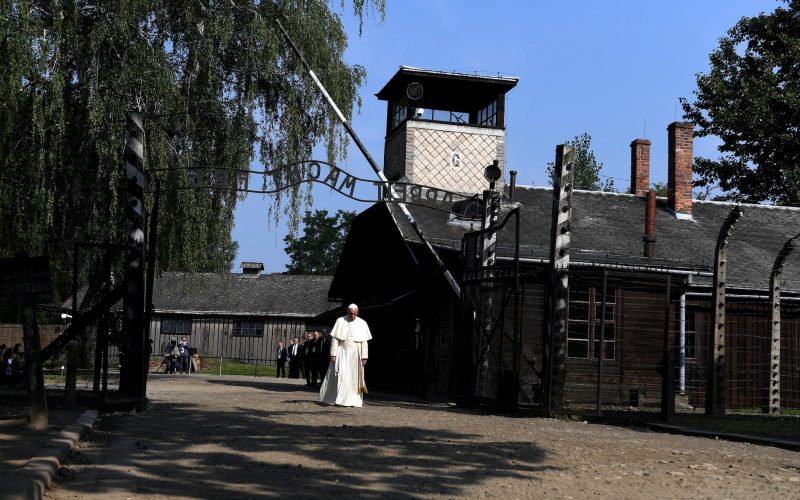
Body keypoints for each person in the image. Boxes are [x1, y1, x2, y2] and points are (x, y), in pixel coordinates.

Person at [319, 304, 371, 407]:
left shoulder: (362, 323)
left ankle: (354, 400)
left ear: (357, 313)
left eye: (354, 314)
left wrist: (364, 357)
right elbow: (335, 339)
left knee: (355, 377)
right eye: (351, 314)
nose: (352, 316)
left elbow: (364, 342)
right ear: (347, 312)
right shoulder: (340, 321)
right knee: (341, 375)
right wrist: (333, 354)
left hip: (356, 354)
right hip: (342, 352)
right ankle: (339, 399)